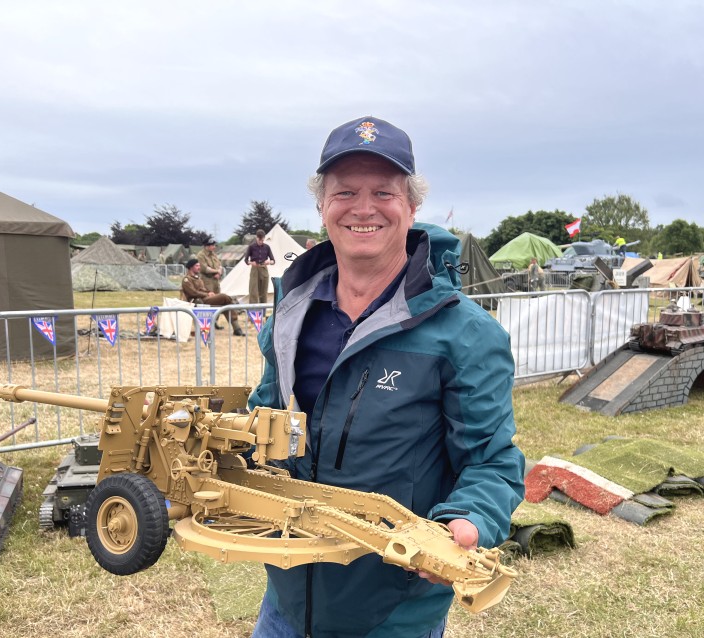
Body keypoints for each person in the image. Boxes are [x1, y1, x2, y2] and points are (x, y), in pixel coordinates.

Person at [249, 116, 524, 637]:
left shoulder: (464, 332)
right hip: (284, 603)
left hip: (391, 613)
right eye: (345, 191)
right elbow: (264, 416)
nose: (363, 207)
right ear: (322, 206)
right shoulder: (293, 310)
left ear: (412, 205)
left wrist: (463, 521)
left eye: (384, 191)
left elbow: (492, 461)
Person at [181, 259, 245, 335]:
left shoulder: (198, 278)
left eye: (199, 265)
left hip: (204, 299)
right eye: (197, 265)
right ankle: (235, 305)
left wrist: (209, 292)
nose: (199, 267)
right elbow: (193, 292)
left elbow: (202, 289)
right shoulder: (187, 279)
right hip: (196, 302)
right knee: (223, 296)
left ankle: (237, 329)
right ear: (191, 267)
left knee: (225, 305)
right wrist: (206, 294)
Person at [244, 229, 275, 303]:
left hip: (264, 268)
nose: (261, 241)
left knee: (263, 291)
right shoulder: (251, 247)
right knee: (253, 290)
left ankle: (263, 311)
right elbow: (246, 260)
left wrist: (269, 262)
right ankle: (253, 311)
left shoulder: (267, 247)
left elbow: (273, 260)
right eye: (259, 239)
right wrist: (251, 263)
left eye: (262, 239)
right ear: (257, 238)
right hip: (255, 268)